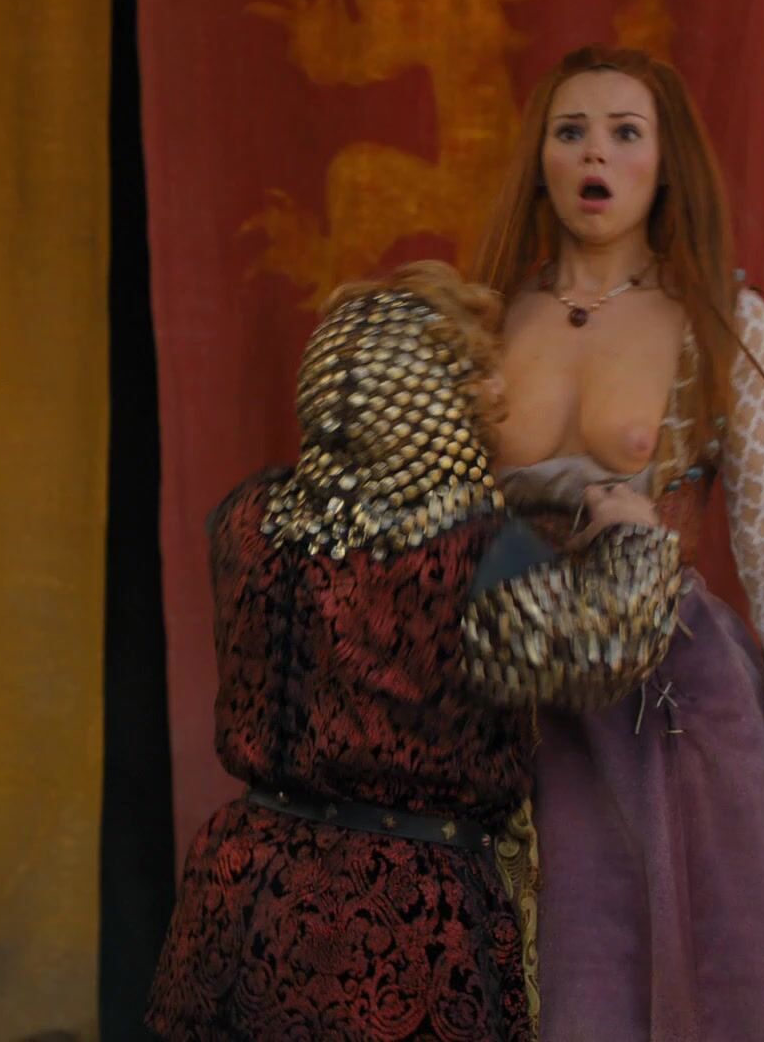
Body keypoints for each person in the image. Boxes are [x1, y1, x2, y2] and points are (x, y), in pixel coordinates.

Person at [471, 44, 764, 1039]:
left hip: (668, 700)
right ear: (541, 159)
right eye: (571, 131)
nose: (595, 153)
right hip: (506, 691)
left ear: (664, 164)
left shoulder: (718, 318)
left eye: (625, 132)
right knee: (526, 978)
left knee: (690, 986)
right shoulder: (484, 320)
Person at [145, 261, 694, 1041]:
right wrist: (634, 539)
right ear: (447, 397)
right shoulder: (478, 554)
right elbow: (601, 648)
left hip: (237, 897)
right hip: (395, 925)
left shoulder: (250, 518)